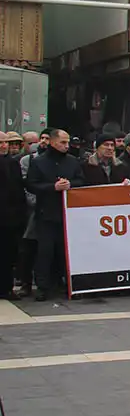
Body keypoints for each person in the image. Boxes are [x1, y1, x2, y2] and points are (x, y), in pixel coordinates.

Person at [25, 129, 83, 301]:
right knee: (45, 251)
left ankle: (67, 284)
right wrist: (53, 187)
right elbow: (31, 184)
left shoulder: (73, 161)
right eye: (62, 142)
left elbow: (82, 180)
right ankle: (43, 287)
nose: (66, 146)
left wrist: (71, 184)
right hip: (46, 213)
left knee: (65, 251)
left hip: (68, 214)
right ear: (52, 142)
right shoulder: (39, 162)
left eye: (67, 142)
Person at [0, 136, 24, 298]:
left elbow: (18, 189)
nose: (4, 146)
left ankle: (6, 288)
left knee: (7, 254)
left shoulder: (12, 162)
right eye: (1, 142)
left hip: (9, 218)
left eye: (6, 143)